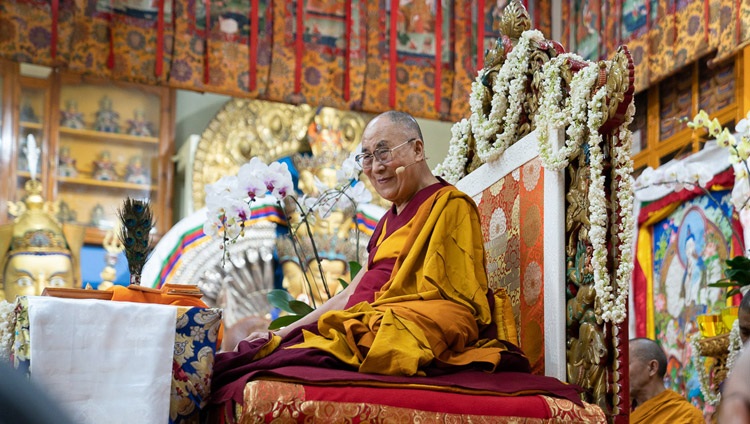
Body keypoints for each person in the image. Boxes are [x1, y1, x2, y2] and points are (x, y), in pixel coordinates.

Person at [208, 111, 558, 420]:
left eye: (384, 152)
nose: (375, 167)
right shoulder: (387, 221)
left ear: (418, 150)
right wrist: (282, 332)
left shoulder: (451, 206)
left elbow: (462, 307)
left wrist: (384, 319)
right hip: (366, 323)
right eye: (367, 157)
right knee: (254, 356)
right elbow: (351, 293)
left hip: (398, 327)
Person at [629, 337, 704, 423]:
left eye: (626, 365)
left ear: (652, 368)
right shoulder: (619, 413)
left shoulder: (686, 416)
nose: (619, 373)